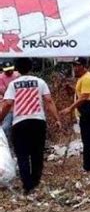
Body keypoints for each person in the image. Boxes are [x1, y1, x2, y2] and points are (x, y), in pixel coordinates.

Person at [0, 58, 61, 194]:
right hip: (38, 121)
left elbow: (8, 103)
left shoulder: (13, 84)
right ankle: (35, 181)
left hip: (20, 122)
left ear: (17, 68)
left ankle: (27, 186)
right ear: (31, 67)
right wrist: (57, 119)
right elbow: (49, 101)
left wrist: (1, 118)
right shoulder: (40, 82)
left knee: (22, 154)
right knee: (37, 153)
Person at [60, 57, 90, 171]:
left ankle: (88, 166)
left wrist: (70, 108)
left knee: (87, 140)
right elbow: (80, 94)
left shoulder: (86, 78)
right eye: (74, 65)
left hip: (89, 113)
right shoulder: (83, 78)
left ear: (84, 66)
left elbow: (85, 97)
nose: (75, 68)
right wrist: (71, 89)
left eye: (77, 65)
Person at [0, 61, 20, 141]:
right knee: (6, 126)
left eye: (11, 69)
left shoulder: (17, 75)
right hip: (7, 105)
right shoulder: (1, 78)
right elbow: (4, 92)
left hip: (19, 104)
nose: (9, 71)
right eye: (7, 70)